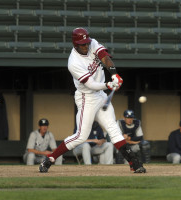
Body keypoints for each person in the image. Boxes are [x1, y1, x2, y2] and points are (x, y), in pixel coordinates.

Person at [39, 27, 146, 173]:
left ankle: (134, 163)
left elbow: (104, 57)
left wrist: (114, 74)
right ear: (75, 44)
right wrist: (108, 84)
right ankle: (50, 159)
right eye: (82, 44)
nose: (86, 46)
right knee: (81, 136)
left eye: (87, 43)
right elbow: (90, 84)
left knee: (114, 130)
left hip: (101, 95)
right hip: (86, 98)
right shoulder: (73, 63)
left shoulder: (92, 43)